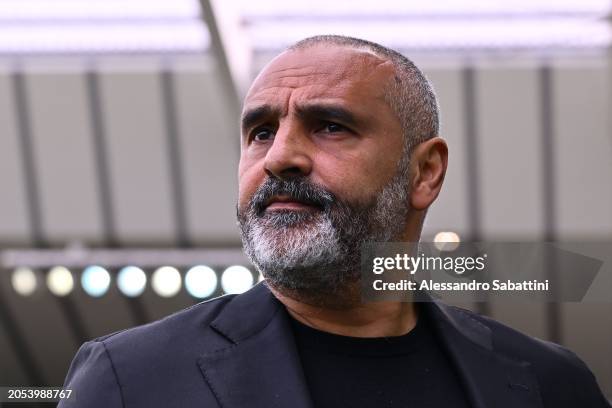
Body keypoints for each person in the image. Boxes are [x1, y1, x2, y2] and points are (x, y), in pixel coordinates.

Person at [59, 35, 610, 407]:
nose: (280, 157)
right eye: (260, 132)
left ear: (425, 172)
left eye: (329, 126)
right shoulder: (131, 379)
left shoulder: (550, 384)